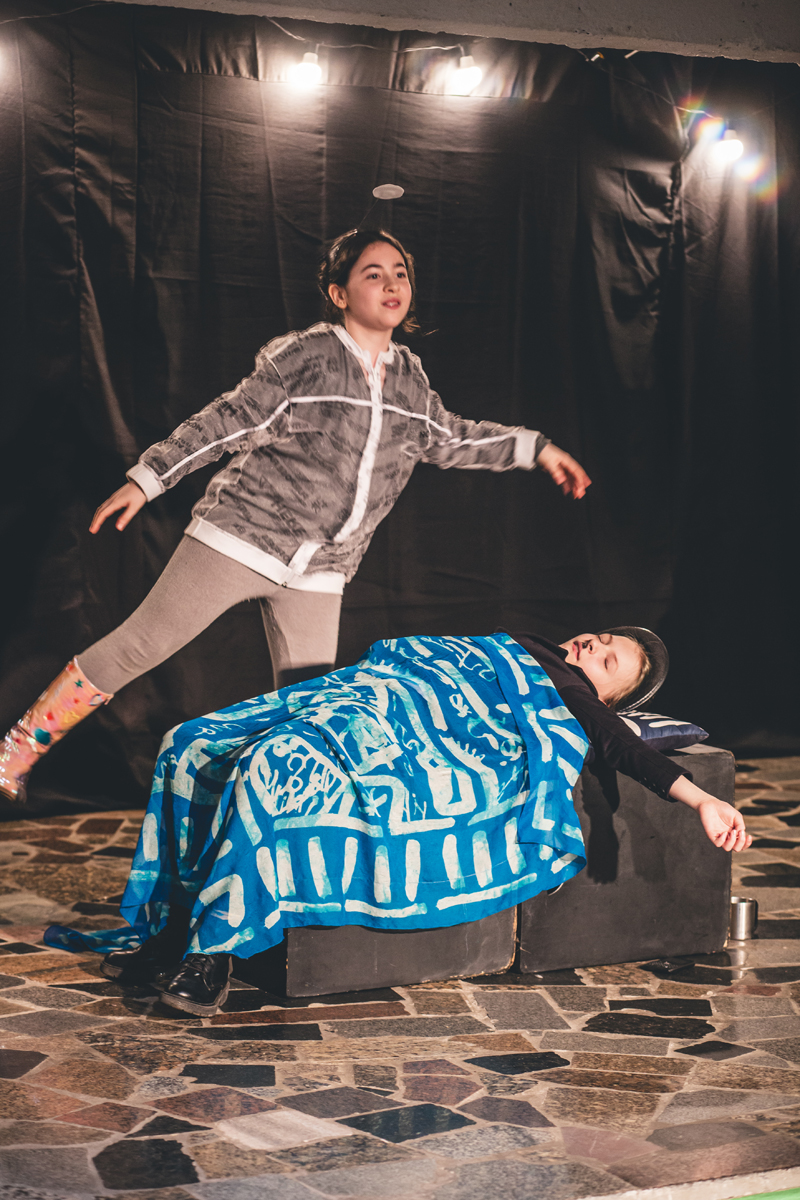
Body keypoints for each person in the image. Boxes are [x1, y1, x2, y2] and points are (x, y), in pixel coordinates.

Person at [0, 229, 591, 805]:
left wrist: (534, 448)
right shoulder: (308, 355)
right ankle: (18, 749)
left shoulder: (410, 379)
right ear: (339, 293)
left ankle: (281, 825)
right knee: (139, 646)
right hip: (241, 538)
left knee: (311, 709)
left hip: (322, 569)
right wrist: (149, 479)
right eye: (373, 274)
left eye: (401, 274)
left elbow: (450, 437)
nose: (392, 284)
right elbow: (230, 419)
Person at [45, 626, 750, 1017]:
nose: (594, 645)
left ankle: (212, 954)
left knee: (276, 765)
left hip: (399, 726)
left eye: (609, 658)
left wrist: (701, 800)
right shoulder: (519, 644)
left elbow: (623, 749)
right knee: (190, 744)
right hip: (373, 690)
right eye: (602, 637)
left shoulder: (570, 696)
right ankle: (169, 927)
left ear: (609, 696)